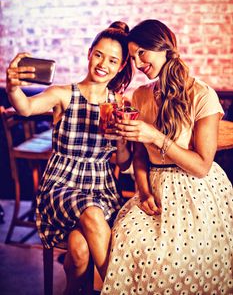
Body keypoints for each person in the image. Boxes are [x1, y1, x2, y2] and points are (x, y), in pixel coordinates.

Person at [101, 19, 233, 294]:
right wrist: (144, 191)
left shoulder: (202, 95)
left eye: (142, 53)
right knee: (126, 240)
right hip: (153, 188)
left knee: (174, 260)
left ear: (163, 48)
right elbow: (138, 156)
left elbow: (201, 166)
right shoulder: (140, 95)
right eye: (132, 56)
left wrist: (155, 136)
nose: (136, 63)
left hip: (196, 192)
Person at [6, 21, 133, 295]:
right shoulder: (63, 94)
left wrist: (121, 138)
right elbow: (26, 108)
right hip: (62, 186)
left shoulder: (120, 104)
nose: (103, 64)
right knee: (91, 211)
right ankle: (121, 291)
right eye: (98, 55)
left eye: (113, 60)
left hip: (102, 188)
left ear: (121, 66)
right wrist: (13, 87)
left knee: (78, 251)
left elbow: (123, 162)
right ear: (89, 53)